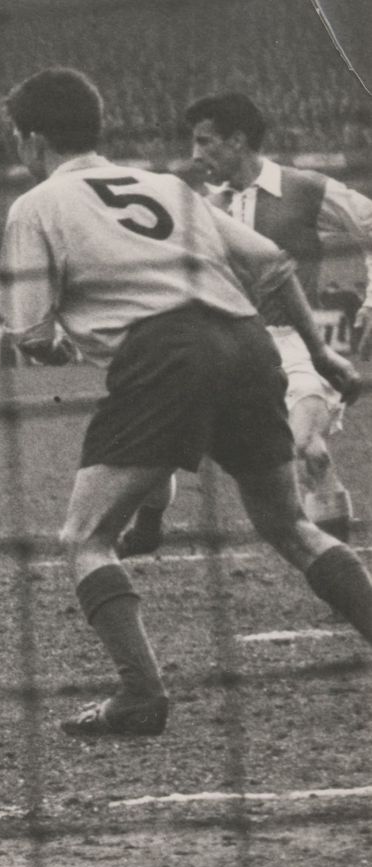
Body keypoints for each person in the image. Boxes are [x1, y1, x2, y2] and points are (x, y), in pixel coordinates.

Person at [0, 67, 372, 737]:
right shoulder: (169, 185)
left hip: (165, 354)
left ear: (31, 140)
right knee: (288, 525)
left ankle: (141, 696)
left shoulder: (37, 206)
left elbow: (29, 331)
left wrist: (55, 345)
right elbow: (274, 264)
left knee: (83, 536)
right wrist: (322, 355)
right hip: (247, 342)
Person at [118, 91, 372, 553]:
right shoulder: (198, 203)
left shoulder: (305, 189)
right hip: (227, 344)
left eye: (205, 141)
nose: (196, 155)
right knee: (156, 442)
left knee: (308, 449)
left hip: (296, 344)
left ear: (237, 141)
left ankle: (341, 573)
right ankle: (149, 526)